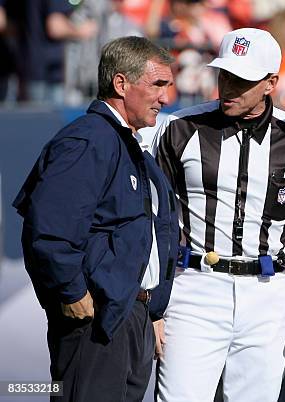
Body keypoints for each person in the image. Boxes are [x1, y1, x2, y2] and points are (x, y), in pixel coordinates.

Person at [153, 27, 285, 402]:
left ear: (270, 83)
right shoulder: (179, 130)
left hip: (267, 292)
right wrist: (152, 304)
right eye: (225, 74)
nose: (229, 86)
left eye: (242, 79)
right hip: (194, 287)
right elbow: (153, 221)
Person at [12, 36, 179, 401]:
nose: (166, 98)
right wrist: (72, 291)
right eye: (158, 85)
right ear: (121, 84)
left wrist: (153, 308)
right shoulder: (89, 141)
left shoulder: (132, 147)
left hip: (130, 316)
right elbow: (48, 229)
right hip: (97, 320)